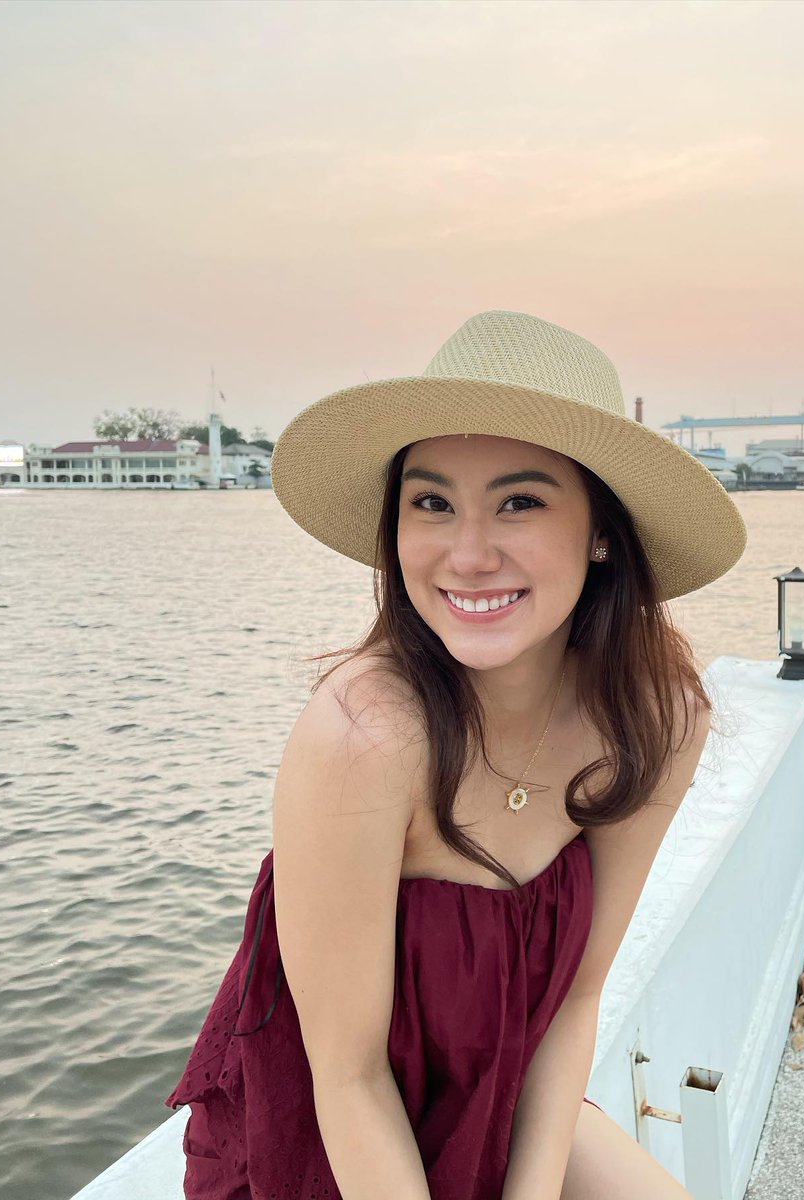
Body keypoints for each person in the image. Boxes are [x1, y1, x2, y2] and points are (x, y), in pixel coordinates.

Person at [164, 309, 747, 1200]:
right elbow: (347, 1076)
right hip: (328, 1139)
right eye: (430, 503)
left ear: (601, 532)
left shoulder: (653, 718)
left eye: (520, 501)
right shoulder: (366, 737)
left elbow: (576, 1002)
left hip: (503, 1104)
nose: (467, 554)